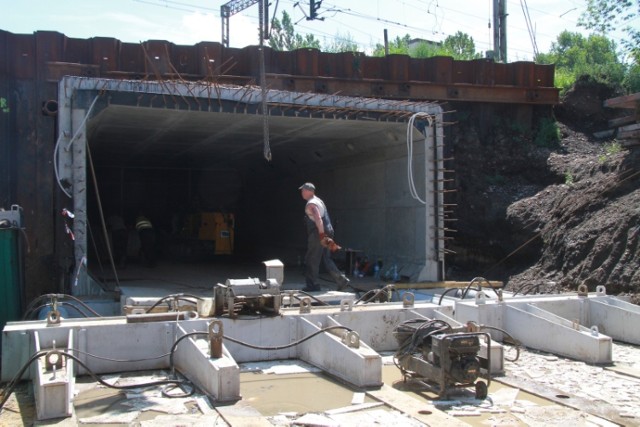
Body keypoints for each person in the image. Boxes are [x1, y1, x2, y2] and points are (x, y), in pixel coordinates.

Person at [299, 182, 350, 292]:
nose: (302, 192)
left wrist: (322, 235)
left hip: (318, 233)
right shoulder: (319, 200)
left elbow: (318, 218)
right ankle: (341, 280)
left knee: (312, 259)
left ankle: (312, 285)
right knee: (326, 258)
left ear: (310, 191)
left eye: (303, 190)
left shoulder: (311, 204)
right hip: (328, 231)